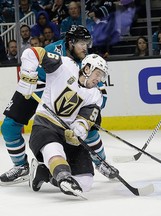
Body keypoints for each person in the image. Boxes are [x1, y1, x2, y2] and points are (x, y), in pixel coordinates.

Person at [0, 25, 113, 185]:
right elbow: (34, 57)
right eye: (81, 43)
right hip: (38, 88)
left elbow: (96, 89)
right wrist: (27, 76)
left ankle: (101, 161)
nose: (85, 47)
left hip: (67, 95)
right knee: (9, 127)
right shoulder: (54, 49)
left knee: (89, 127)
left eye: (87, 43)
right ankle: (21, 166)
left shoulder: (86, 60)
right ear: (70, 42)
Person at [18, 47, 109, 198]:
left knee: (85, 183)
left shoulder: (95, 95)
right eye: (97, 74)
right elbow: (33, 52)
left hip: (66, 134)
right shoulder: (64, 66)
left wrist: (79, 129)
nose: (98, 79)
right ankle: (63, 177)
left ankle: (43, 172)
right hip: (45, 125)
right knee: (54, 151)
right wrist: (28, 75)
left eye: (101, 76)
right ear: (87, 68)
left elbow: (85, 119)